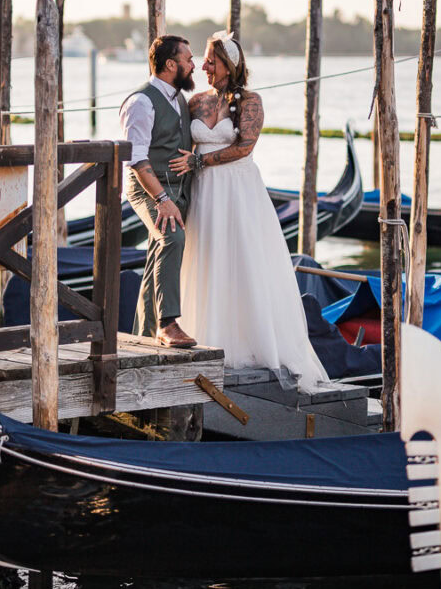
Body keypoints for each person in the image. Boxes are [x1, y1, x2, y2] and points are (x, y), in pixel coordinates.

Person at [180, 31, 329, 387]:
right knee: (206, 257)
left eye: (211, 61)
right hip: (204, 194)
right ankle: (202, 335)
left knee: (243, 258)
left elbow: (245, 146)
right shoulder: (196, 102)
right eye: (203, 60)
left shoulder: (251, 102)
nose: (204, 66)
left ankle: (250, 342)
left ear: (228, 65)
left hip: (239, 191)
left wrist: (201, 163)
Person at [118, 33, 199, 347]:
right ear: (170, 64)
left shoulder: (178, 98)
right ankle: (168, 324)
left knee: (156, 257)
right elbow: (137, 159)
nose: (193, 65)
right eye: (188, 60)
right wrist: (162, 199)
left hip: (178, 188)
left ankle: (142, 336)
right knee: (171, 236)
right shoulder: (141, 102)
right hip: (148, 189)